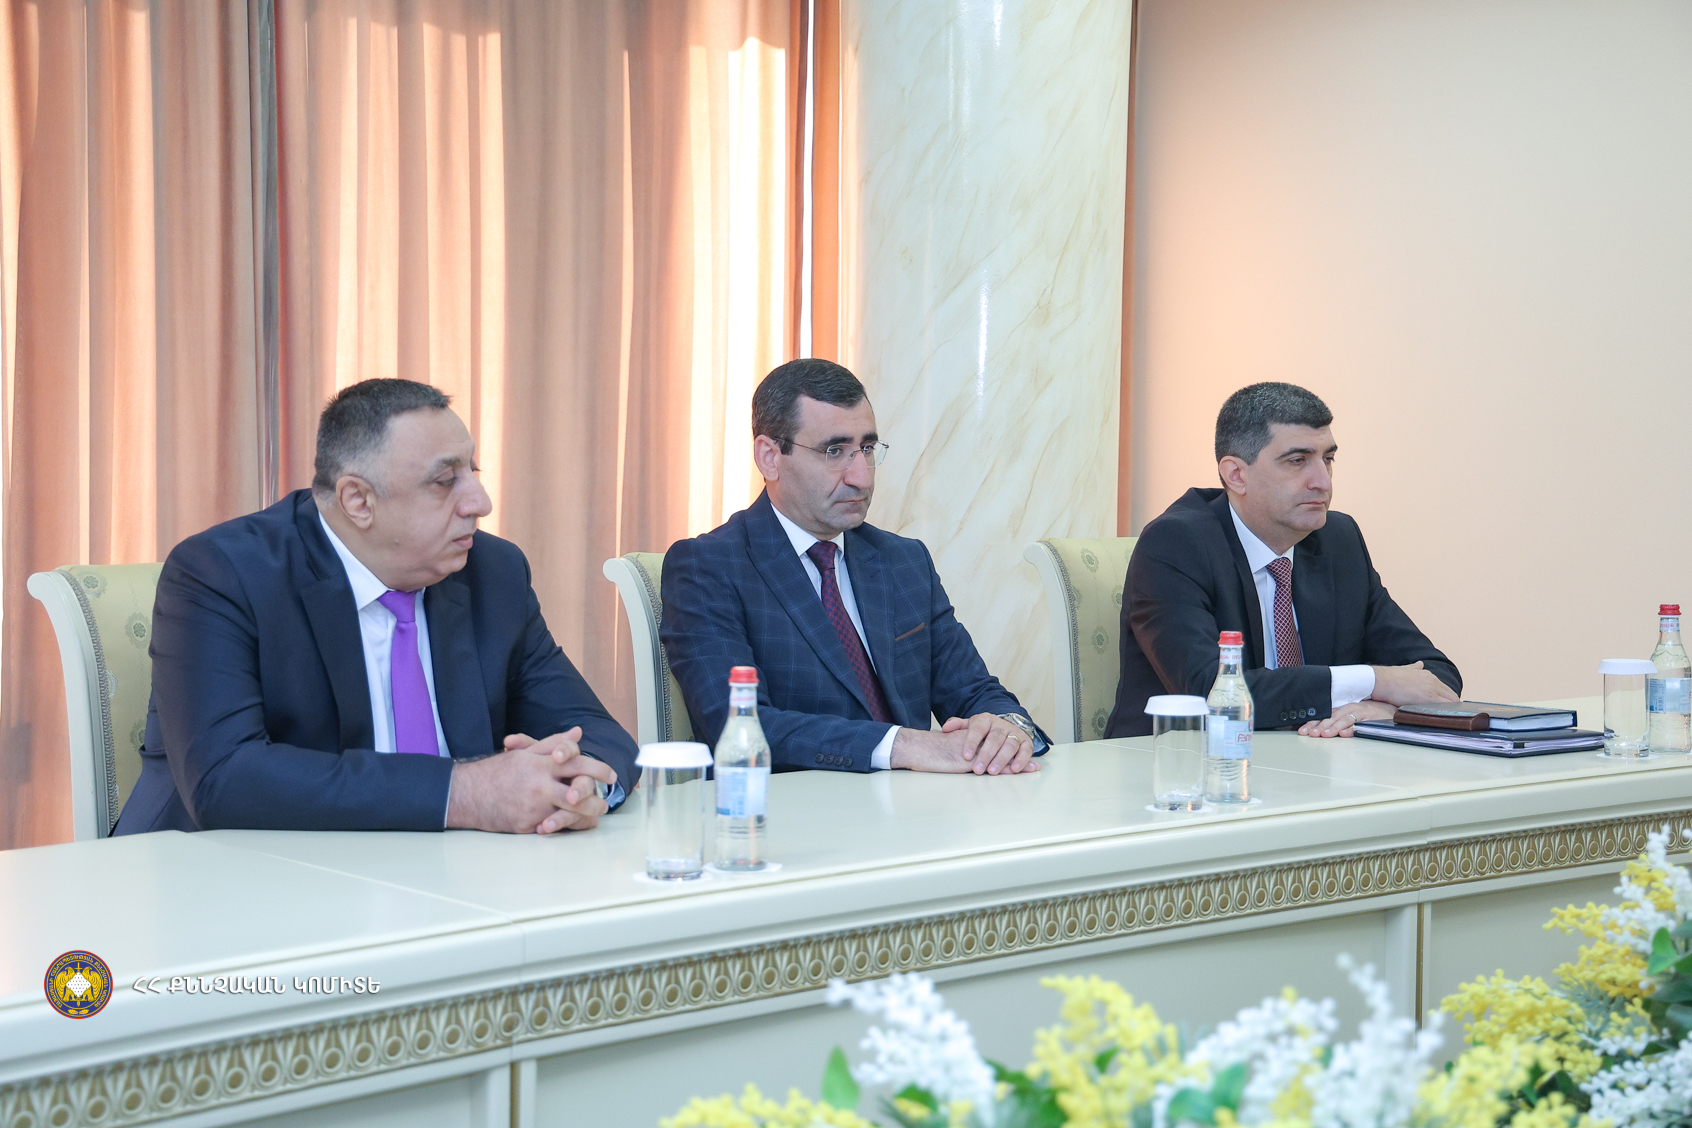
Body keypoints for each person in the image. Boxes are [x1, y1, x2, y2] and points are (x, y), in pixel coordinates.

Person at [114, 378, 637, 835]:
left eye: (473, 470)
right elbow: (225, 779)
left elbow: (596, 733)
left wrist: (576, 787)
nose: (480, 502)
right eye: (445, 481)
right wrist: (464, 793)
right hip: (235, 884)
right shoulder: (223, 574)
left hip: (452, 881)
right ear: (358, 501)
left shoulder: (492, 573)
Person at [661, 359, 1048, 775]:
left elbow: (974, 691)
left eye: (867, 449)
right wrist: (904, 745)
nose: (861, 478)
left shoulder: (903, 561)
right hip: (794, 809)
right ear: (770, 457)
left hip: (917, 807)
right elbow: (738, 726)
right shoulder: (708, 567)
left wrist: (1006, 729)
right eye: (835, 451)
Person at [1104, 382, 1460, 740]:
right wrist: (1373, 681)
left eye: (1328, 459)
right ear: (1236, 475)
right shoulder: (1176, 544)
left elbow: (1436, 676)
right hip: (1180, 764)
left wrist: (1380, 709)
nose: (1322, 482)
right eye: (1297, 461)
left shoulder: (1339, 540)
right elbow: (1211, 692)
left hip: (1308, 762)